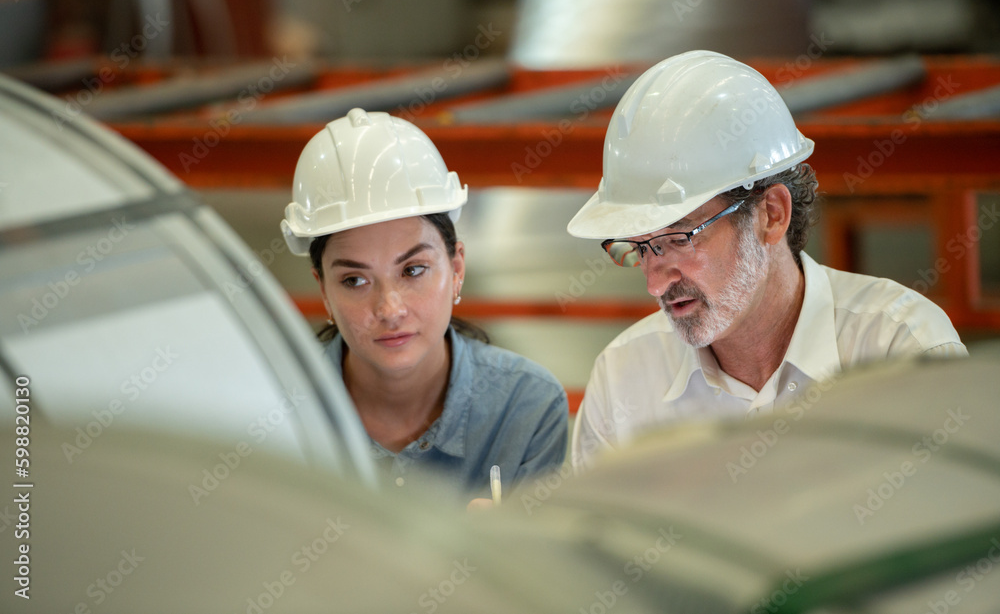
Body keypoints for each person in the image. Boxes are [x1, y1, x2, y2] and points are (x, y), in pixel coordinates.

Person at [566, 50, 967, 472]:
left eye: (679, 238)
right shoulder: (624, 379)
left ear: (771, 215)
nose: (655, 284)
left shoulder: (900, 352)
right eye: (640, 248)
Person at [281, 108, 569, 504]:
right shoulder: (272, 410)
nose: (390, 308)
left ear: (456, 268)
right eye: (355, 280)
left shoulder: (524, 408)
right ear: (324, 291)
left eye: (413, 270)